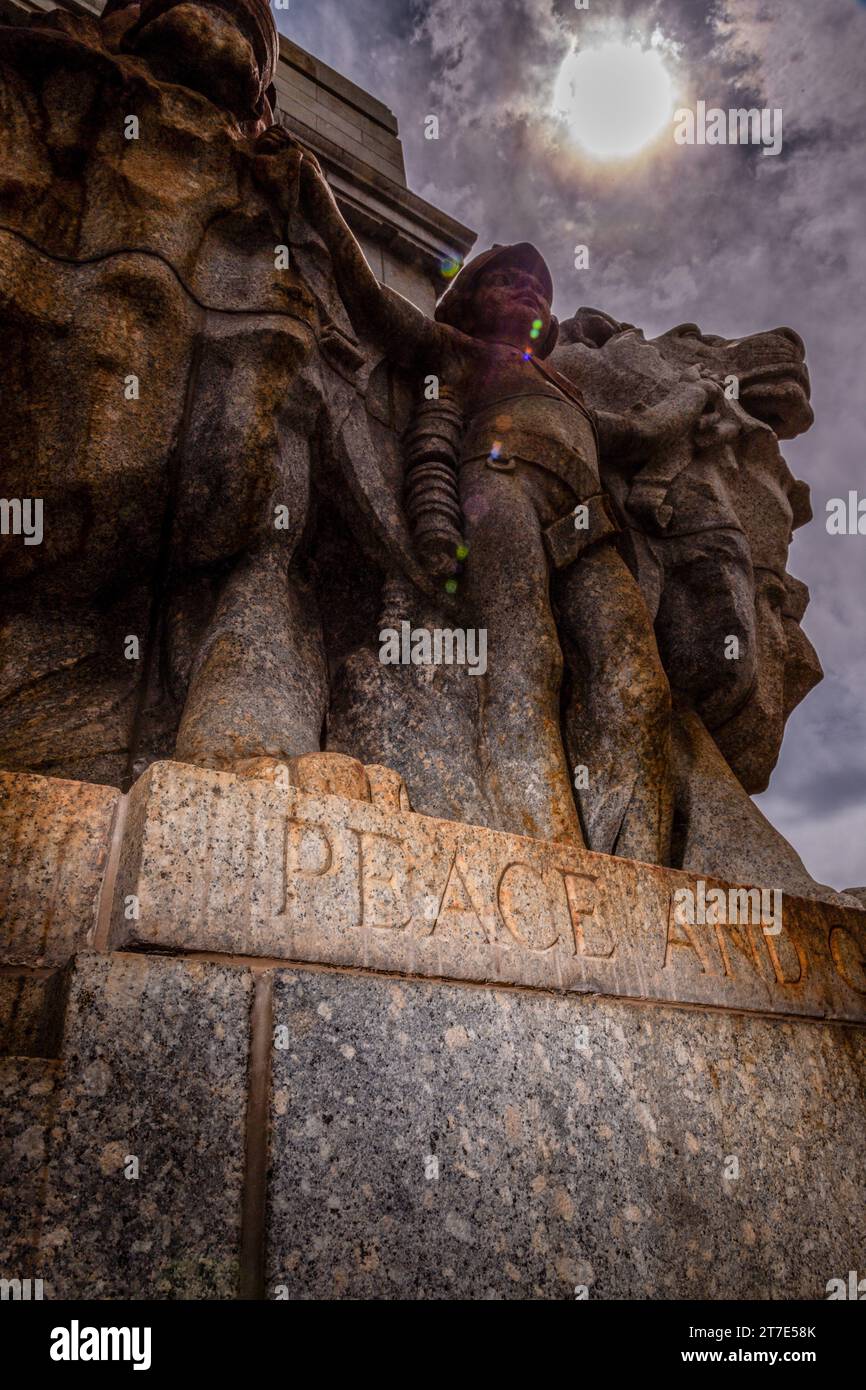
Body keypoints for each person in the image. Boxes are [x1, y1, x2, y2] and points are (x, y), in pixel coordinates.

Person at [296, 147, 719, 853]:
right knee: (527, 659)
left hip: (590, 523)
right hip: (498, 490)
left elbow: (642, 432)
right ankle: (544, 848)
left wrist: (700, 391)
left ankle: (637, 870)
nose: (527, 289)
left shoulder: (569, 391)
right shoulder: (456, 348)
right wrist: (313, 188)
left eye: (536, 284)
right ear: (469, 299)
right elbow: (368, 297)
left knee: (638, 681)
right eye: (507, 280)